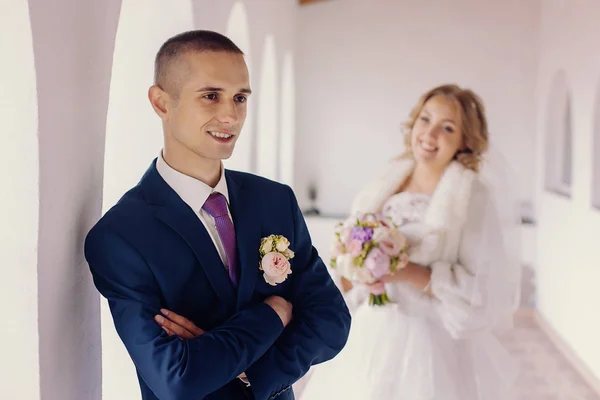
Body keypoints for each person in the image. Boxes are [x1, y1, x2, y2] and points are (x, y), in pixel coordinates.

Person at [84, 30, 351, 400]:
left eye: (240, 98)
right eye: (211, 96)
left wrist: (250, 373)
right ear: (161, 102)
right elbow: (177, 379)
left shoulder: (275, 200)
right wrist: (273, 314)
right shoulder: (120, 235)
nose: (231, 115)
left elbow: (333, 323)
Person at [299, 84, 521, 400]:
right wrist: (354, 264)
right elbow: (349, 263)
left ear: (465, 141)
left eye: (447, 127)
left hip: (430, 342)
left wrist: (402, 271)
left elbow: (478, 293)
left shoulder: (473, 197)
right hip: (368, 330)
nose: (430, 134)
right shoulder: (387, 179)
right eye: (425, 119)